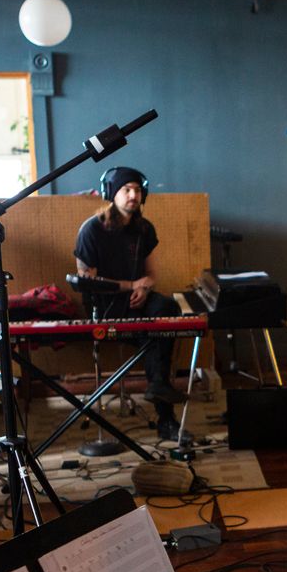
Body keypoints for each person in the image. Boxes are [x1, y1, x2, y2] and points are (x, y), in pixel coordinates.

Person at [73, 166, 187, 442]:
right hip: (105, 307)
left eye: (137, 190)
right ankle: (166, 417)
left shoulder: (144, 229)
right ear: (112, 193)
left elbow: (150, 274)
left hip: (138, 302)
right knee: (156, 336)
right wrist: (130, 286)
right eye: (126, 190)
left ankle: (158, 388)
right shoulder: (92, 229)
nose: (133, 195)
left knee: (167, 309)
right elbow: (87, 280)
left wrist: (144, 287)